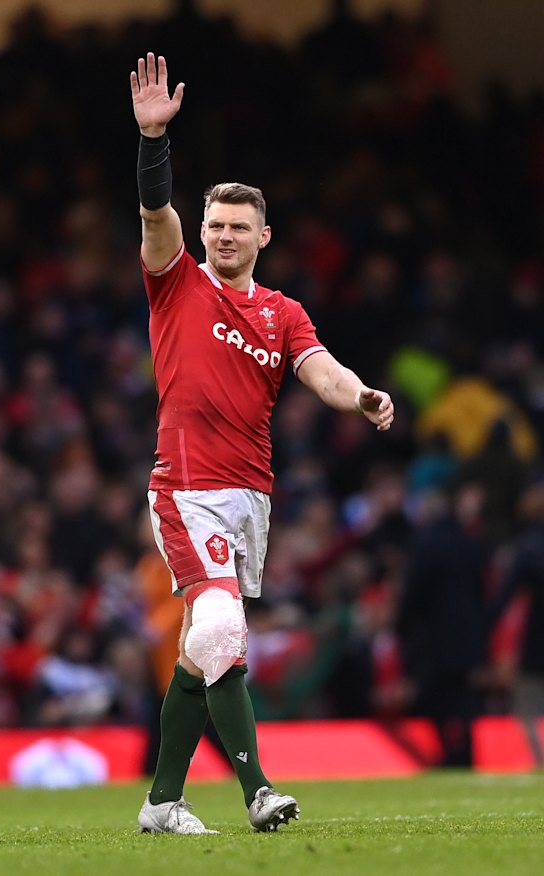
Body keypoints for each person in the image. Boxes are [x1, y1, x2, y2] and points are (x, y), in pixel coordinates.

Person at [130, 52, 394, 835]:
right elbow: (154, 216)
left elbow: (321, 371)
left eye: (239, 227)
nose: (224, 237)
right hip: (184, 487)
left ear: (264, 236)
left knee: (196, 653)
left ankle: (161, 803)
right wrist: (154, 143)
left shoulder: (283, 313)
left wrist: (363, 397)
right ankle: (258, 792)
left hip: (251, 496)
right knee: (219, 631)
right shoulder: (175, 278)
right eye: (215, 225)